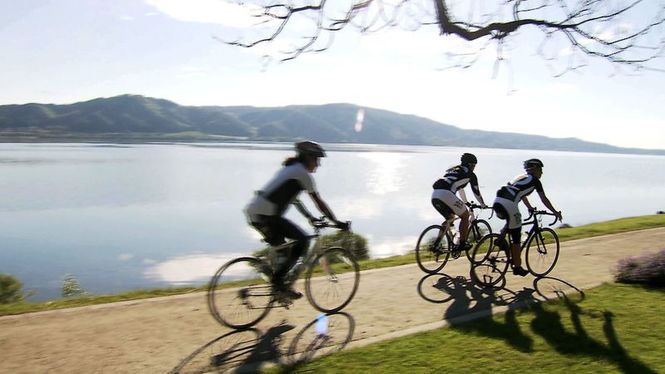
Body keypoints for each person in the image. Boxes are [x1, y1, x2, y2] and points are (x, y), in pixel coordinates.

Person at [244, 140, 347, 299]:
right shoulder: (302, 174)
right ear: (308, 158)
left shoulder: (290, 169)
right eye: (316, 159)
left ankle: (277, 285)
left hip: (256, 212)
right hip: (266, 215)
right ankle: (279, 284)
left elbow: (295, 200)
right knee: (303, 241)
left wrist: (309, 217)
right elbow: (319, 202)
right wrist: (336, 222)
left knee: (284, 250)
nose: (318, 164)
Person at [493, 158, 562, 276]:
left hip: (498, 201)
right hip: (509, 203)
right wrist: (555, 212)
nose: (542, 173)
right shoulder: (535, 181)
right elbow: (544, 199)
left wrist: (529, 207)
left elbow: (521, 194)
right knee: (516, 234)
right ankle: (517, 266)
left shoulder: (520, 177)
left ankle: (500, 240)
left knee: (511, 222)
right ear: (534, 169)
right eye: (540, 169)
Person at [431, 153, 488, 253]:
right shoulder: (470, 174)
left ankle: (436, 245)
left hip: (435, 194)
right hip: (446, 194)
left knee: (450, 218)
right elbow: (476, 192)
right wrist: (482, 204)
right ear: (470, 165)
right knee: (465, 216)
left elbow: (460, 188)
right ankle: (462, 243)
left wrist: (465, 202)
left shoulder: (454, 169)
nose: (474, 168)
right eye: (474, 165)